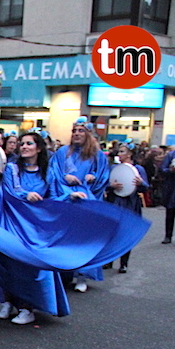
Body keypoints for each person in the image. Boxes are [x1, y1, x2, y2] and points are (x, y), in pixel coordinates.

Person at [0, 130, 149, 325]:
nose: (24, 147)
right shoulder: (12, 168)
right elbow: (11, 191)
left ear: (38, 148)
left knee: (26, 265)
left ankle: (27, 307)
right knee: (0, 259)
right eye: (22, 143)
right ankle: (8, 300)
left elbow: (56, 193)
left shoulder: (48, 171)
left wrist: (70, 195)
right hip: (10, 220)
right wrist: (25, 195)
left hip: (34, 226)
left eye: (29, 143)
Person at [48, 116, 110, 292]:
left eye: (80, 130)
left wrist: (94, 177)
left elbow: (103, 175)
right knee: (65, 237)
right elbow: (53, 174)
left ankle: (82, 275)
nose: (76, 134)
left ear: (88, 133)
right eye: (74, 130)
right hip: (67, 199)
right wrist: (65, 178)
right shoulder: (62, 153)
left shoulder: (97, 155)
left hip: (86, 201)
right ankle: (63, 272)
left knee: (85, 238)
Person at [106, 142, 149, 270]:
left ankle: (124, 263)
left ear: (130, 154)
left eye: (122, 151)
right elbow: (105, 184)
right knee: (113, 232)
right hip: (115, 201)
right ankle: (109, 259)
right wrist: (111, 186)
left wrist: (141, 183)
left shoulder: (138, 169)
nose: (119, 154)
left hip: (130, 202)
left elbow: (146, 188)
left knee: (126, 232)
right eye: (119, 152)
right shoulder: (114, 168)